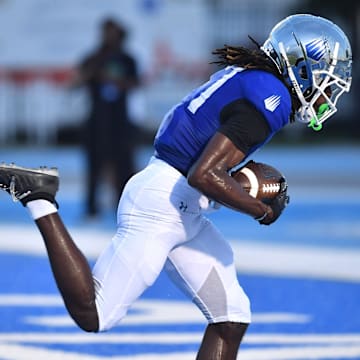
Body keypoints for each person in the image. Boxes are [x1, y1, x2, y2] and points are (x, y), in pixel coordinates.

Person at [0, 14, 352, 359]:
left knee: (231, 316)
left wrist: (242, 182)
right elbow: (205, 174)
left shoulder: (255, 80)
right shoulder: (270, 98)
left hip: (183, 206)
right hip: (163, 204)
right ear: (302, 69)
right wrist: (260, 209)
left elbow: (205, 168)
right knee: (95, 314)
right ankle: (39, 197)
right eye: (326, 78)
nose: (328, 89)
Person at [75, 17, 139, 217]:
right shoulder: (93, 58)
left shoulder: (127, 59)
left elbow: (135, 84)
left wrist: (115, 80)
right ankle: (91, 208)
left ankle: (123, 205)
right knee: (94, 165)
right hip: (97, 120)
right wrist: (93, 73)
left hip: (119, 120)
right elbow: (77, 82)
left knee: (124, 165)